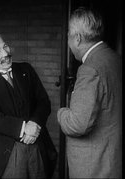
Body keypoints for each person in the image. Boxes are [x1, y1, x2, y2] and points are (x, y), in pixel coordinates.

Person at [0, 34, 57, 179]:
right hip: (11, 150)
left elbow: (43, 101)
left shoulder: (26, 69)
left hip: (37, 142)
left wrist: (34, 124)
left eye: (5, 46)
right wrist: (23, 128)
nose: (6, 53)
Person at [57, 7, 122, 178]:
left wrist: (61, 113)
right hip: (112, 159)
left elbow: (77, 124)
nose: (69, 42)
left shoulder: (89, 69)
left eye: (69, 35)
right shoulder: (115, 58)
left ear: (77, 38)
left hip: (93, 167)